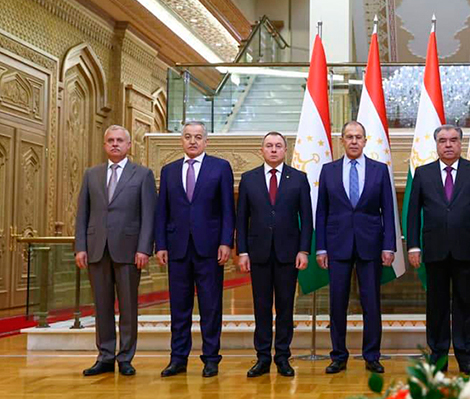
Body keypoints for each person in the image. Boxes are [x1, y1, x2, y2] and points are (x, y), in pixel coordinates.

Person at [407, 124, 470, 374]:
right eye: (443, 140)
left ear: (460, 144)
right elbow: (413, 213)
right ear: (436, 144)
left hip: (467, 249)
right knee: (437, 305)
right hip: (434, 249)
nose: (448, 145)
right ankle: (438, 356)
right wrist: (413, 246)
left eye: (453, 140)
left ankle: (466, 356)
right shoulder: (423, 173)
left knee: (467, 303)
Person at [155, 121, 235, 378]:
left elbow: (228, 210)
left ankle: (211, 358)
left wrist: (226, 242)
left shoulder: (220, 167)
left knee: (210, 307)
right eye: (188, 136)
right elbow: (162, 211)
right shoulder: (169, 170)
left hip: (210, 249)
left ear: (206, 141)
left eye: (198, 137)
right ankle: (178, 358)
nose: (192, 141)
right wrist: (160, 244)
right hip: (177, 249)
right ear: (181, 140)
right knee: (179, 308)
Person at [75, 125, 156, 376]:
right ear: (104, 145)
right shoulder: (91, 174)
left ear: (129, 145)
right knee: (102, 306)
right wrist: (80, 247)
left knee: (128, 307)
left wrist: (144, 248)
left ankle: (126, 358)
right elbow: (82, 214)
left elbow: (149, 215)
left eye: (120, 140)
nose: (115, 144)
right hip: (97, 249)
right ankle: (105, 356)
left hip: (129, 251)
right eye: (110, 140)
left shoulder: (142, 174)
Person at [315, 121, 396, 374]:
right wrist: (321, 248)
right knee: (337, 303)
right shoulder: (328, 170)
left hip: (370, 245)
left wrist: (389, 246)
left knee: (371, 303)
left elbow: (388, 210)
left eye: (358, 137)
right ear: (342, 140)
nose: (353, 141)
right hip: (337, 245)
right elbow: (322, 212)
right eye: (349, 137)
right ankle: (338, 356)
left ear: (365, 141)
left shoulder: (379, 170)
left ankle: (372, 355)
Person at [236, 132, 312, 378]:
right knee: (261, 306)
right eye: (269, 146)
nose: (273, 150)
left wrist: (303, 250)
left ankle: (282, 356)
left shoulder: (298, 178)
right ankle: (262, 357)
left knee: (285, 307)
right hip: (258, 253)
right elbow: (241, 219)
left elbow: (307, 218)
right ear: (262, 150)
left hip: (288, 254)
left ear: (285, 150)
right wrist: (242, 251)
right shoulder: (248, 179)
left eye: (278, 146)